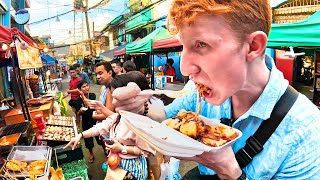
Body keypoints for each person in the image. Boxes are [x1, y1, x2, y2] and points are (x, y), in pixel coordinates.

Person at [111, 0, 320, 179]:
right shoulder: (200, 90)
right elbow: (165, 116)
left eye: (201, 44)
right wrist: (140, 107)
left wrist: (230, 172)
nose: (184, 68)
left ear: (253, 46)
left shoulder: (307, 133)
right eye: (183, 46)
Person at [65, 71, 164, 180]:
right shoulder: (118, 116)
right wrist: (80, 135)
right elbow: (100, 127)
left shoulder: (138, 124)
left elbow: (145, 151)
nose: (112, 101)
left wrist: (122, 148)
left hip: (133, 169)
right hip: (117, 164)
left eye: (114, 97)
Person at [75, 80, 104, 163]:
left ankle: (105, 149)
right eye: (83, 87)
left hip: (95, 120)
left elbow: (90, 105)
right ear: (79, 89)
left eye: (87, 85)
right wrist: (80, 111)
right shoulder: (77, 101)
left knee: (100, 138)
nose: (86, 88)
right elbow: (78, 114)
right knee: (88, 141)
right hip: (86, 122)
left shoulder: (92, 95)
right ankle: (91, 154)